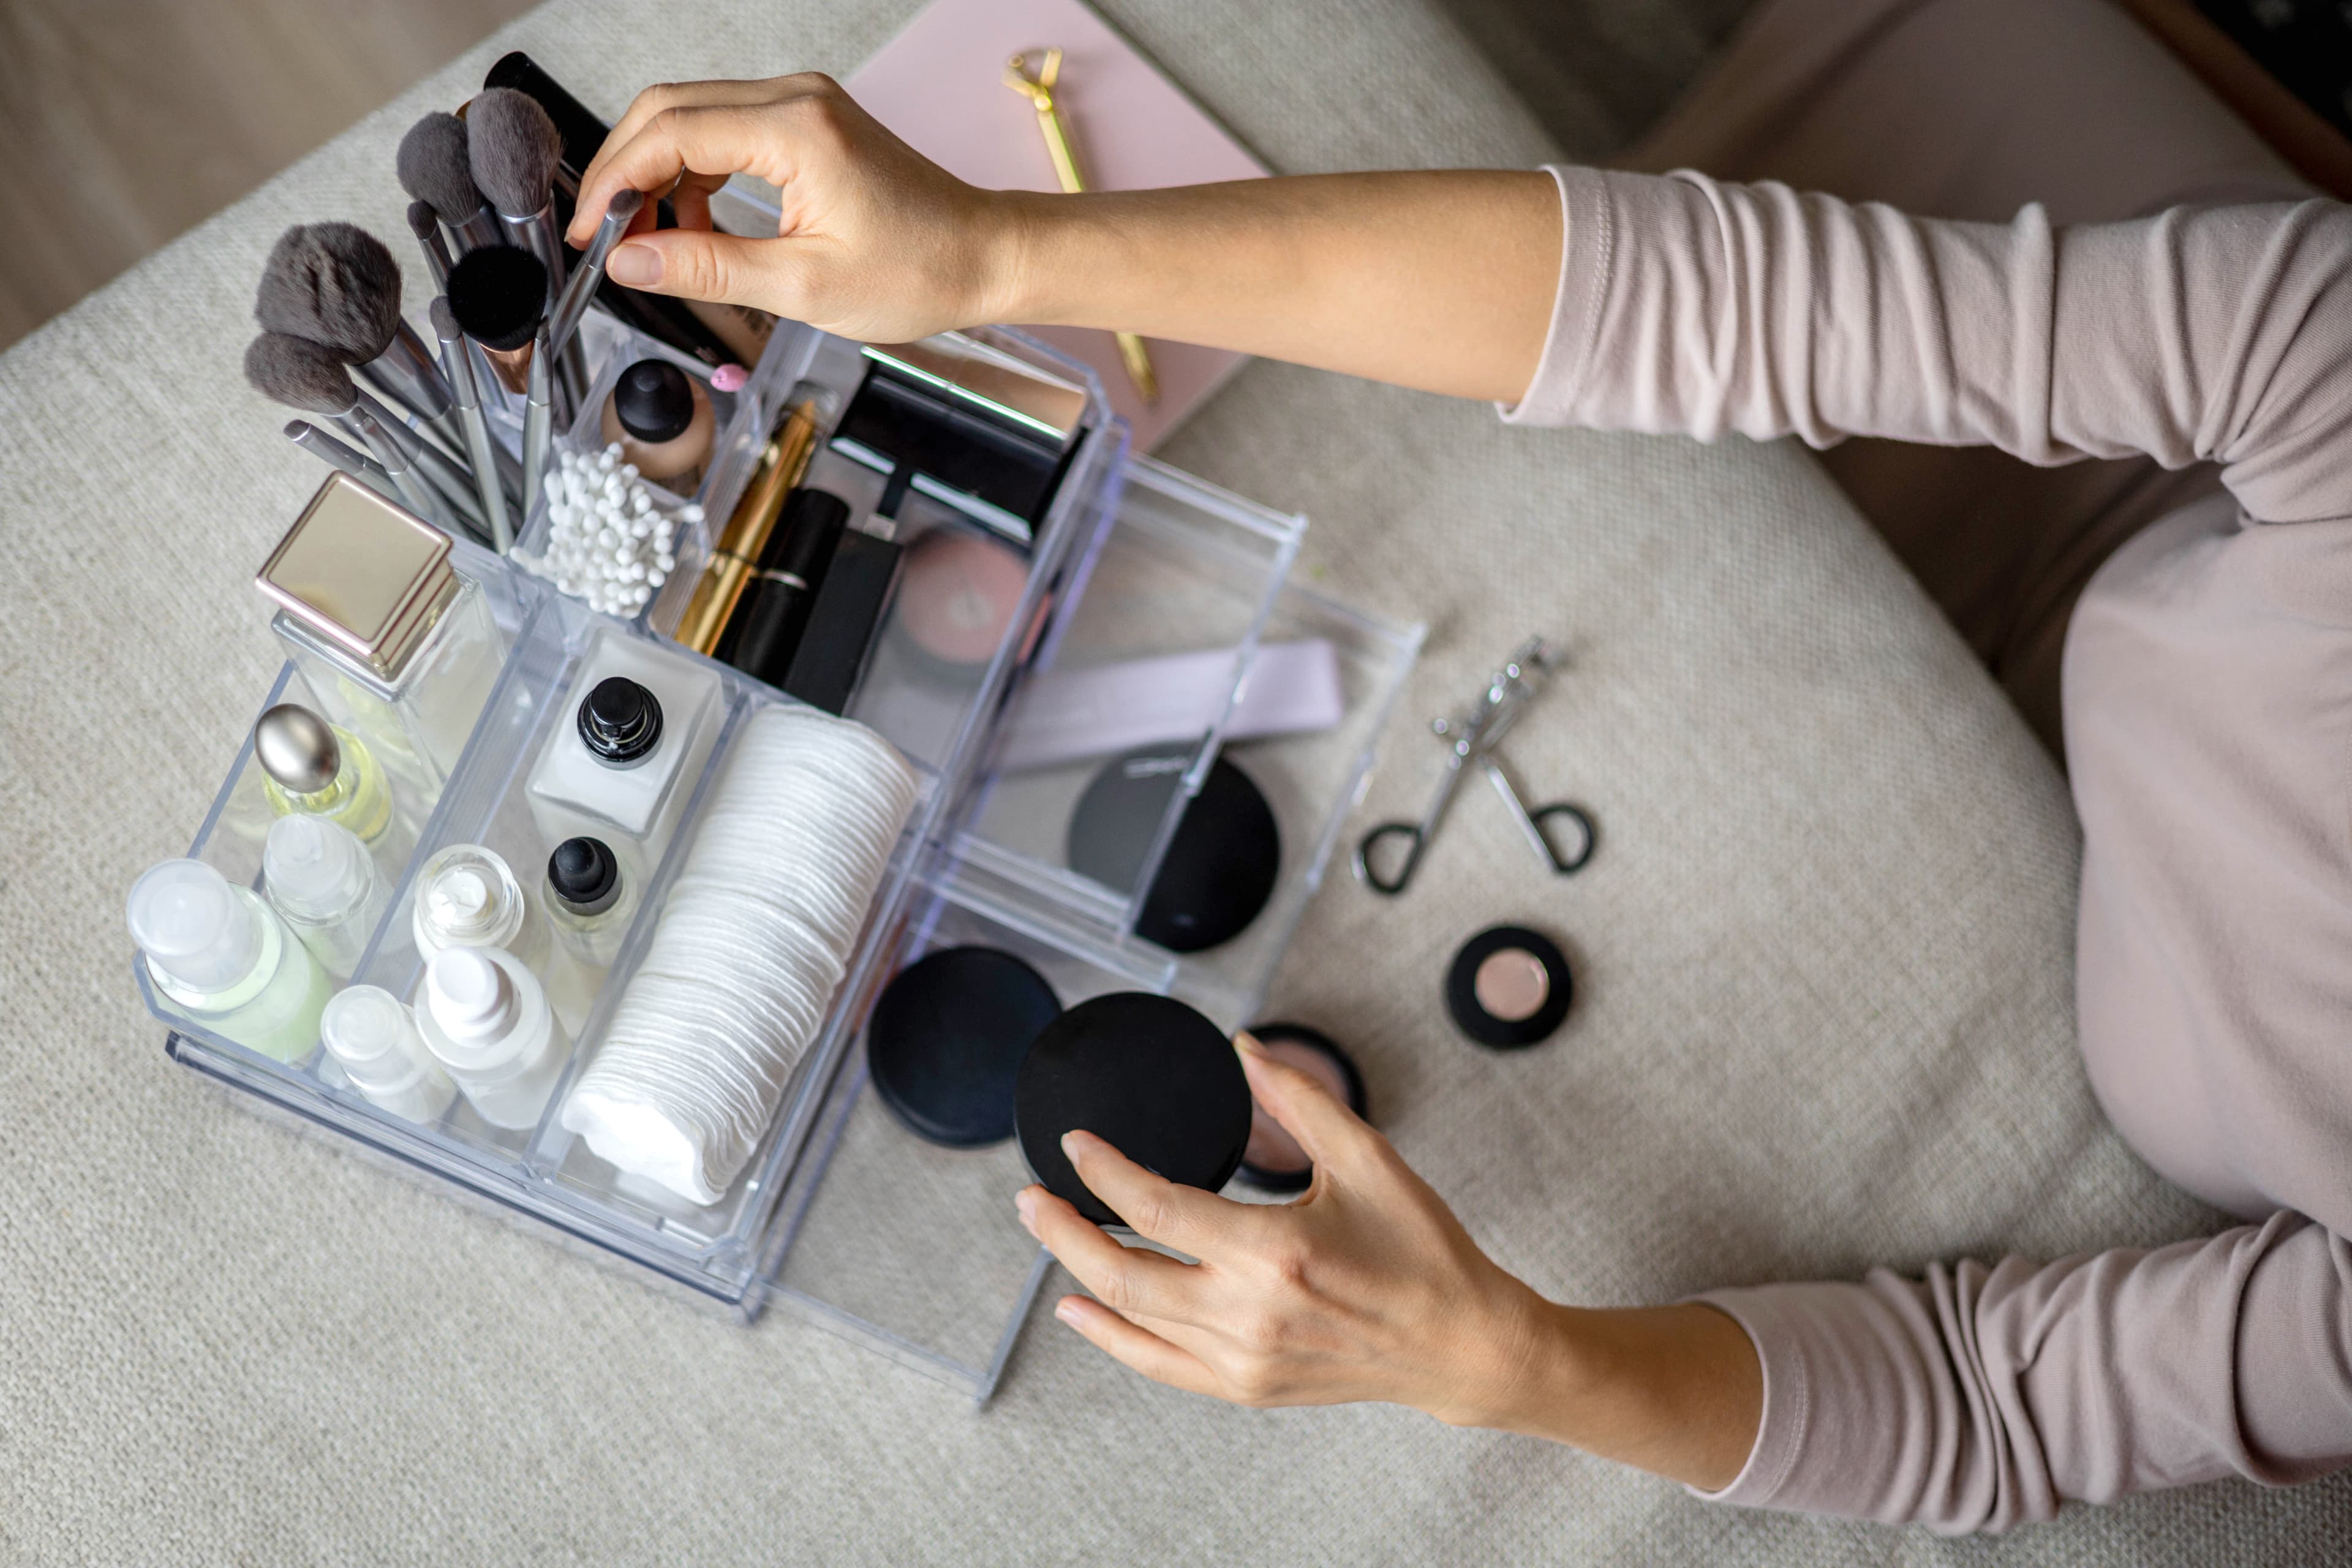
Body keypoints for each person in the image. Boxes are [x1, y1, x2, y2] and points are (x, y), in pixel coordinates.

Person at [565, 0, 2352, 1534]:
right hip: (2181, 480)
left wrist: (1509, 1362)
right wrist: (989, 255)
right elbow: (1736, 304)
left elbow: (1998, 1404)